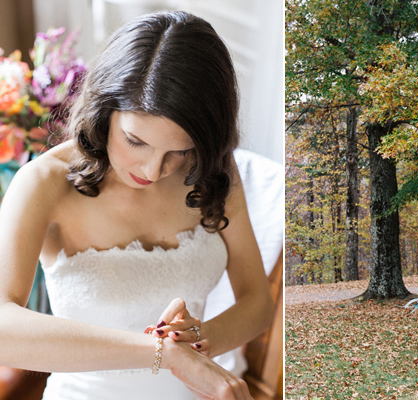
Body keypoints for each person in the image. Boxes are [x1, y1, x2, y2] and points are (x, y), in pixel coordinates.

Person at [0, 11, 274, 400]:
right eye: (136, 141)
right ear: (105, 110)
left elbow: (257, 302)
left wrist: (198, 340)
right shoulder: (44, 183)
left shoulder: (214, 172)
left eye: (179, 151)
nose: (154, 169)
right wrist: (163, 354)